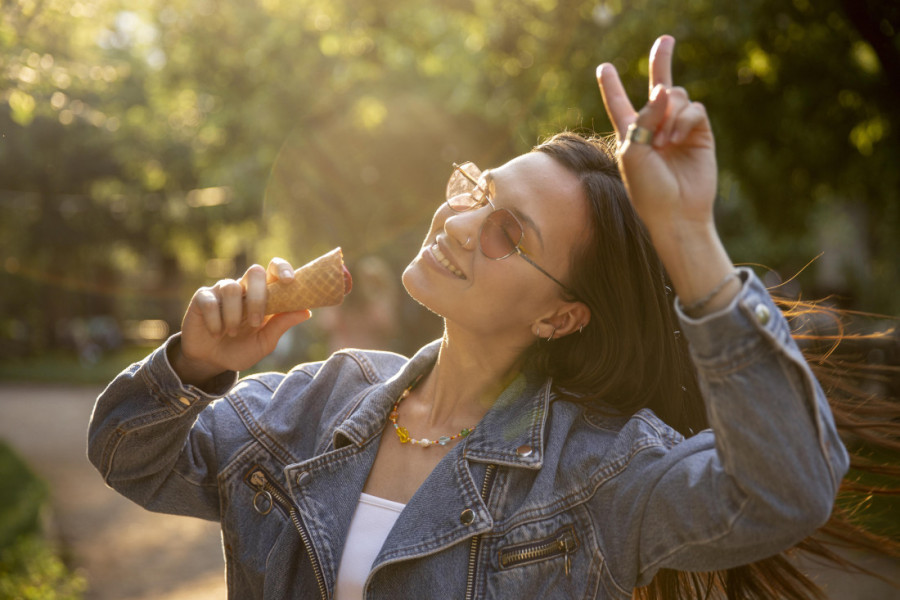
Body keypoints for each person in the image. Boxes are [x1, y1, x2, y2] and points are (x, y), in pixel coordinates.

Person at [88, 35, 888, 599]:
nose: (462, 223)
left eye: (510, 233)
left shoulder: (599, 473)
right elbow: (129, 456)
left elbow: (785, 491)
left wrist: (686, 233)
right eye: (476, 190)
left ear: (560, 318)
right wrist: (194, 365)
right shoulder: (311, 404)